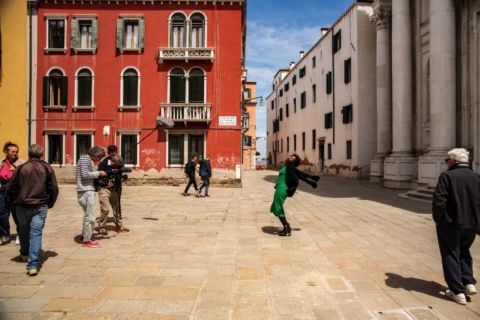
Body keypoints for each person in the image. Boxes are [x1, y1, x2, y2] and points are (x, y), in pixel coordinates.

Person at [432, 148, 480, 305]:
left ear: (452, 161)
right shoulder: (476, 177)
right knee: (464, 251)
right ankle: (468, 282)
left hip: (451, 223)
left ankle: (457, 291)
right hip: (472, 223)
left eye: (447, 160)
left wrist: (439, 220)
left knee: (451, 254)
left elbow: (439, 201)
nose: (446, 163)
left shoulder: (447, 176)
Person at [7, 144, 59, 276]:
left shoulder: (21, 168)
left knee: (23, 231)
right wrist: (50, 202)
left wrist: (14, 200)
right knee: (36, 233)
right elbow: (53, 187)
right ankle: (33, 265)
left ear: (29, 154)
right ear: (41, 154)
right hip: (40, 205)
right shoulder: (47, 167)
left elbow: (12, 187)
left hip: (22, 204)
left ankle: (25, 254)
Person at [270, 154, 319, 236]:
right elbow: (300, 174)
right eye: (291, 156)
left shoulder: (290, 167)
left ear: (295, 161)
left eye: (293, 158)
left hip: (282, 189)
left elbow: (300, 176)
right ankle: (287, 228)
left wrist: (311, 182)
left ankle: (286, 228)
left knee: (277, 207)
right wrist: (312, 178)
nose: (290, 157)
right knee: (276, 207)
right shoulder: (288, 166)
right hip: (279, 188)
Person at [76, 146, 107, 248]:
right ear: (95, 155)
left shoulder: (85, 159)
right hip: (86, 191)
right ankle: (87, 240)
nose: (99, 160)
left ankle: (85, 236)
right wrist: (99, 173)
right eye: (100, 157)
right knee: (91, 217)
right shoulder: (85, 159)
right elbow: (85, 175)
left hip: (85, 190)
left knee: (87, 216)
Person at [97, 154, 130, 235]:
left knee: (116, 209)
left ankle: (119, 227)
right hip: (104, 189)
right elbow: (99, 176)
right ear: (113, 161)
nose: (119, 167)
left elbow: (118, 177)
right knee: (105, 209)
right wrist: (107, 179)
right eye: (117, 165)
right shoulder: (103, 164)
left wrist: (121, 179)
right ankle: (102, 227)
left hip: (114, 190)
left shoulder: (118, 166)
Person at [0, 142, 22, 245]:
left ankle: (20, 234)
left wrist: (16, 169)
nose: (15, 153)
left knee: (17, 215)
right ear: (6, 152)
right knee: (2, 214)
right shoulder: (2, 162)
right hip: (3, 190)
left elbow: (25, 175)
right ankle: (5, 235)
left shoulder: (21, 163)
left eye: (16, 152)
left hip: (16, 191)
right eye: (12, 151)